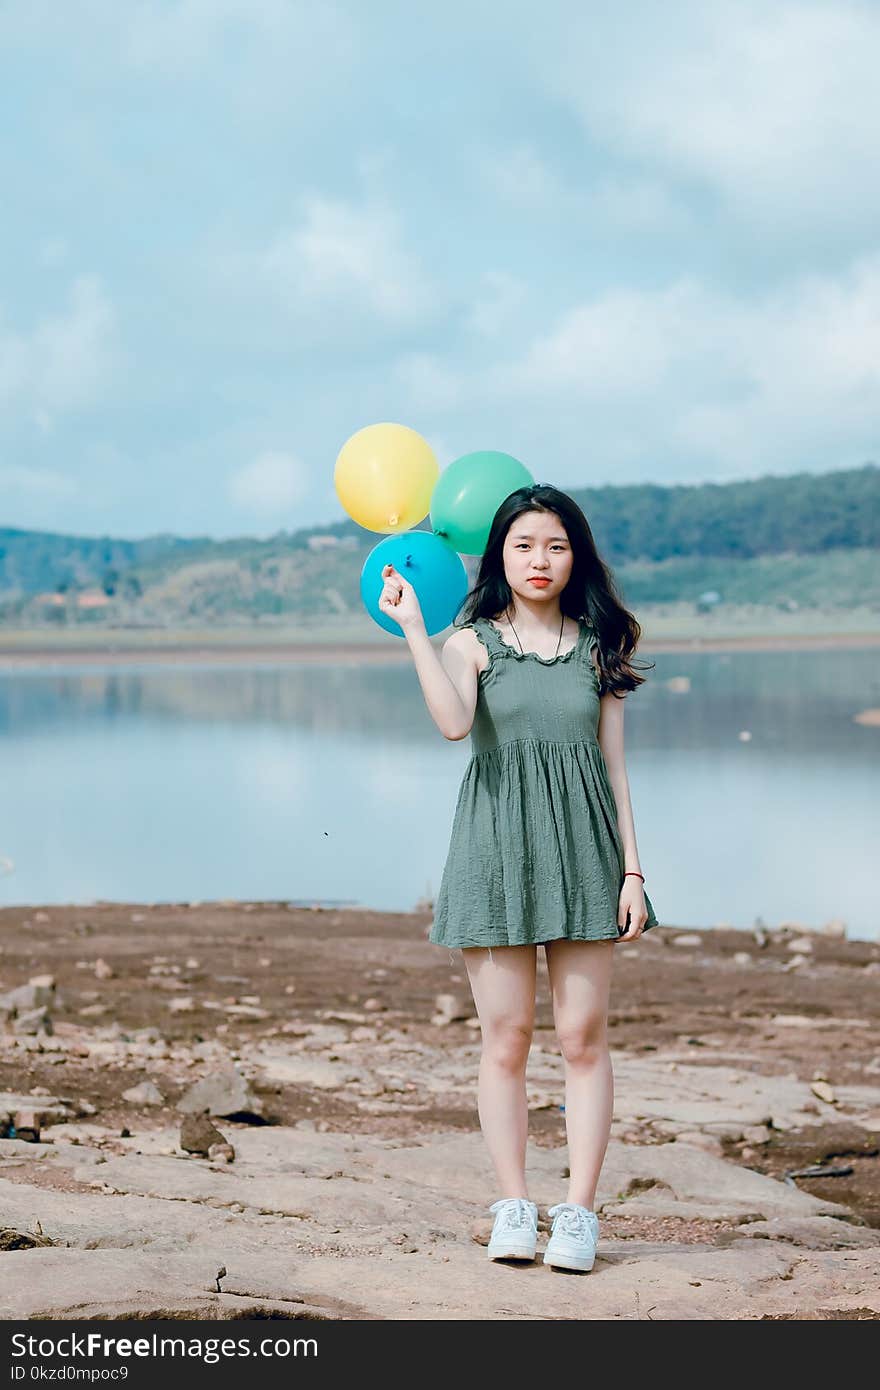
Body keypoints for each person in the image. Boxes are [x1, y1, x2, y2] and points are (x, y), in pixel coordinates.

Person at [378, 482, 660, 1274]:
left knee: (581, 1038)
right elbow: (452, 724)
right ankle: (513, 1206)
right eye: (525, 545)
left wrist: (633, 872)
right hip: (494, 851)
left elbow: (615, 771)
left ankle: (577, 1212)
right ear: (500, 554)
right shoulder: (470, 641)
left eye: (557, 545)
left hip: (586, 853)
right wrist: (413, 630)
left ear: (578, 556)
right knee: (504, 1040)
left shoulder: (599, 642)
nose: (541, 560)